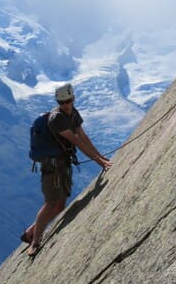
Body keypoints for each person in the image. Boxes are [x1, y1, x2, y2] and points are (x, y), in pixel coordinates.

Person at [22, 83, 112, 256]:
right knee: (51, 203)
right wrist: (99, 161)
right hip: (52, 165)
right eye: (61, 102)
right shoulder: (57, 119)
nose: (65, 104)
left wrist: (101, 157)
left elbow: (82, 136)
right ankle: (34, 243)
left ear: (73, 99)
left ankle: (30, 232)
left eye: (68, 101)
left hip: (63, 163)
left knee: (60, 205)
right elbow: (77, 141)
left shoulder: (73, 113)